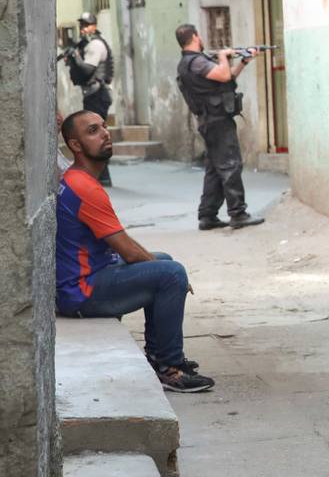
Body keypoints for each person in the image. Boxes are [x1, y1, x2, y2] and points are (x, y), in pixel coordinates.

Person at [56, 110, 215, 393]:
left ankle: (158, 357)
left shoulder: (79, 178)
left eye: (104, 126)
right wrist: (176, 280)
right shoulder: (84, 187)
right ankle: (169, 368)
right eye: (93, 130)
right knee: (171, 273)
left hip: (91, 278)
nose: (105, 133)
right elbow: (127, 250)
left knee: (164, 261)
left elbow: (128, 248)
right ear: (76, 145)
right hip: (81, 293)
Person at [174, 23, 264, 231]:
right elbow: (223, 74)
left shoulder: (194, 62)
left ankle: (208, 215)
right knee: (230, 165)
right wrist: (224, 55)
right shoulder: (195, 62)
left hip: (213, 120)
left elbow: (227, 78)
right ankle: (238, 213)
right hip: (216, 121)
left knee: (215, 169)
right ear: (195, 37)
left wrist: (244, 61)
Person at [63, 12, 114, 186]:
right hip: (92, 94)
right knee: (94, 135)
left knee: (96, 135)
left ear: (94, 26)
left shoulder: (96, 45)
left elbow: (87, 70)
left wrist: (76, 57)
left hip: (98, 94)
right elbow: (78, 77)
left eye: (87, 25)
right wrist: (72, 61)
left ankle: (102, 175)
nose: (84, 28)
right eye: (82, 25)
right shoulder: (86, 45)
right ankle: (102, 175)